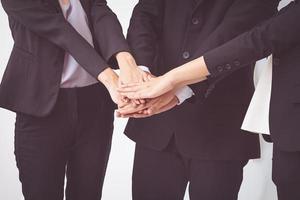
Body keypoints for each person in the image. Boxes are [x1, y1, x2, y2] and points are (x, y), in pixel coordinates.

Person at [119, 1, 300, 199]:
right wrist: (143, 76)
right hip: (157, 121)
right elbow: (144, 14)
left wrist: (177, 84)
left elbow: (240, 34)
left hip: (220, 124)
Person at [0, 0, 147, 199]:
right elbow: (62, 32)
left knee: (88, 193)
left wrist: (126, 60)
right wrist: (112, 80)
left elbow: (100, 12)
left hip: (95, 106)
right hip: (42, 109)